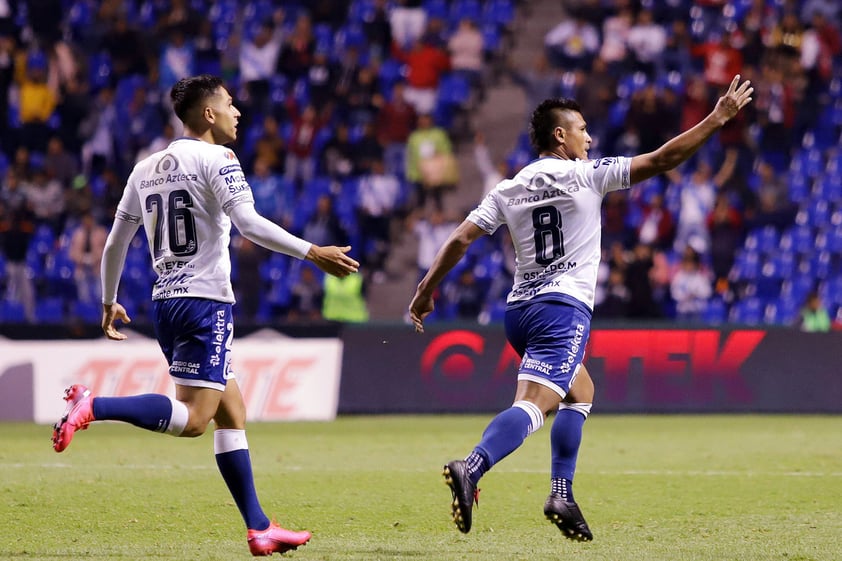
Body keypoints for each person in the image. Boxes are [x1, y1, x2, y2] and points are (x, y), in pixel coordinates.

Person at [409, 75, 753, 540]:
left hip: (520, 312)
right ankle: (472, 466)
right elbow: (664, 159)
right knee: (534, 406)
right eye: (582, 129)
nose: (589, 138)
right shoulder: (587, 176)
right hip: (562, 309)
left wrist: (426, 290)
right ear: (560, 135)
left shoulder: (510, 186)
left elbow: (460, 238)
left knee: (581, 392)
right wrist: (717, 118)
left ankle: (561, 494)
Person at [51, 74, 360, 557]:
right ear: (209, 114)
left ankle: (259, 528)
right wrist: (311, 251)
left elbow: (115, 243)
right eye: (230, 104)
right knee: (196, 420)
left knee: (231, 410)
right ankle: (92, 407)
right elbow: (249, 224)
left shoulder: (144, 168)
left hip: (165, 302)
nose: (239, 112)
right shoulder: (219, 158)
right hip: (205, 301)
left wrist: (108, 300)